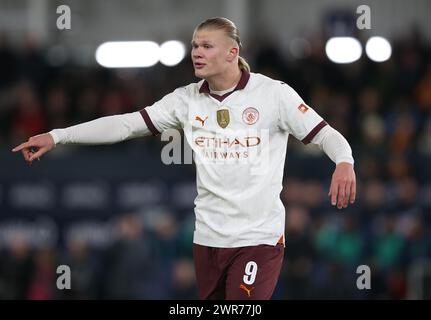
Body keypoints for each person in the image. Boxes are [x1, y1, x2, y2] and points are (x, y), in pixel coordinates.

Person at [12, 17, 356, 300]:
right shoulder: (185, 100)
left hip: (258, 239)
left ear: (232, 52)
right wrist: (58, 135)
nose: (197, 52)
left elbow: (326, 134)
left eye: (207, 46)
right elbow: (126, 124)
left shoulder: (273, 94)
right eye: (194, 45)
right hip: (207, 239)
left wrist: (344, 162)